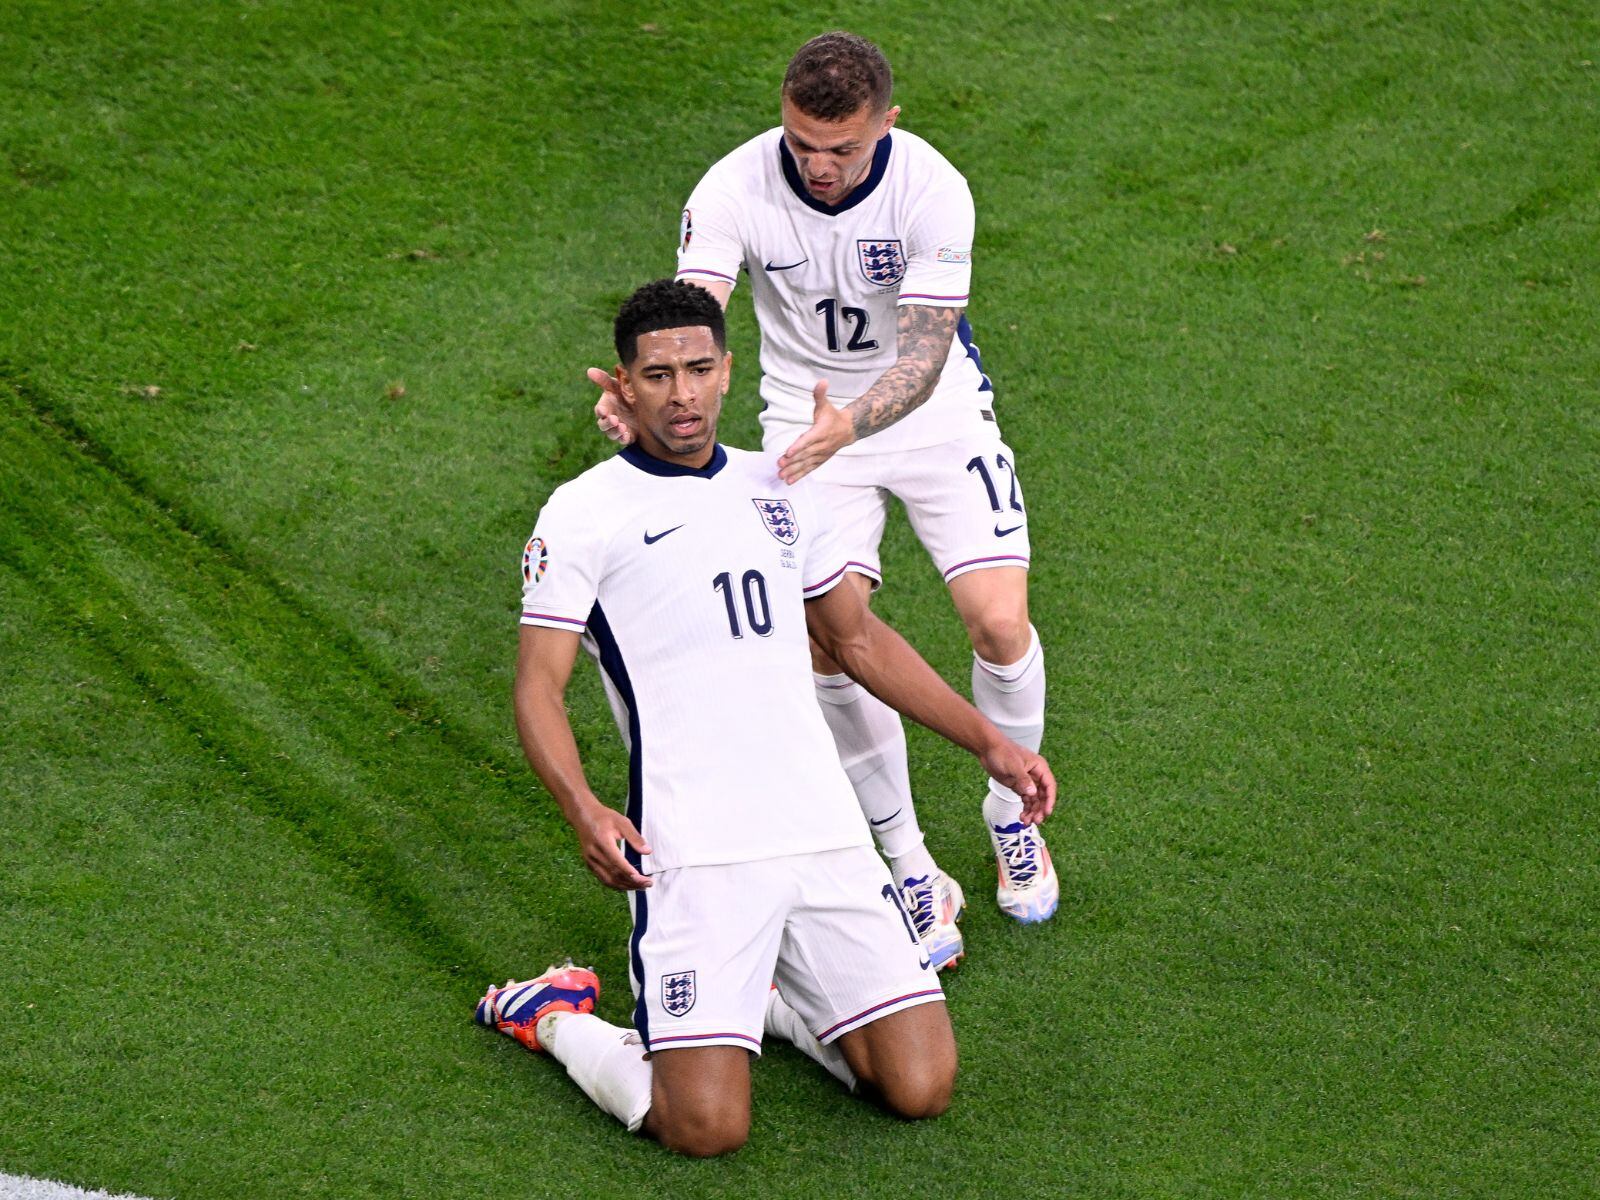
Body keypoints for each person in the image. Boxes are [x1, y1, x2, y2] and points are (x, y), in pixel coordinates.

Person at [485, 279, 1054, 1156]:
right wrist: (584, 808)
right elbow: (537, 687)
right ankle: (553, 1015)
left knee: (920, 1087)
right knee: (704, 1128)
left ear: (727, 371)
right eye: (660, 374)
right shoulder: (584, 513)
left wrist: (991, 743)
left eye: (700, 369)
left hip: (822, 834)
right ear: (624, 386)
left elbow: (857, 642)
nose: (683, 394)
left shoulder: (781, 488)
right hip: (694, 851)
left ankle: (774, 1007)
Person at [592, 33, 1057, 969]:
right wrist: (644, 394)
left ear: (888, 121)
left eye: (841, 148)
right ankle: (914, 869)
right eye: (803, 143)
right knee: (831, 637)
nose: (820, 165)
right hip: (805, 426)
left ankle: (1013, 811)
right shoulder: (730, 190)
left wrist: (859, 419)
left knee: (999, 625)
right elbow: (694, 314)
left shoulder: (935, 189)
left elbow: (925, 355)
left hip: (928, 416)